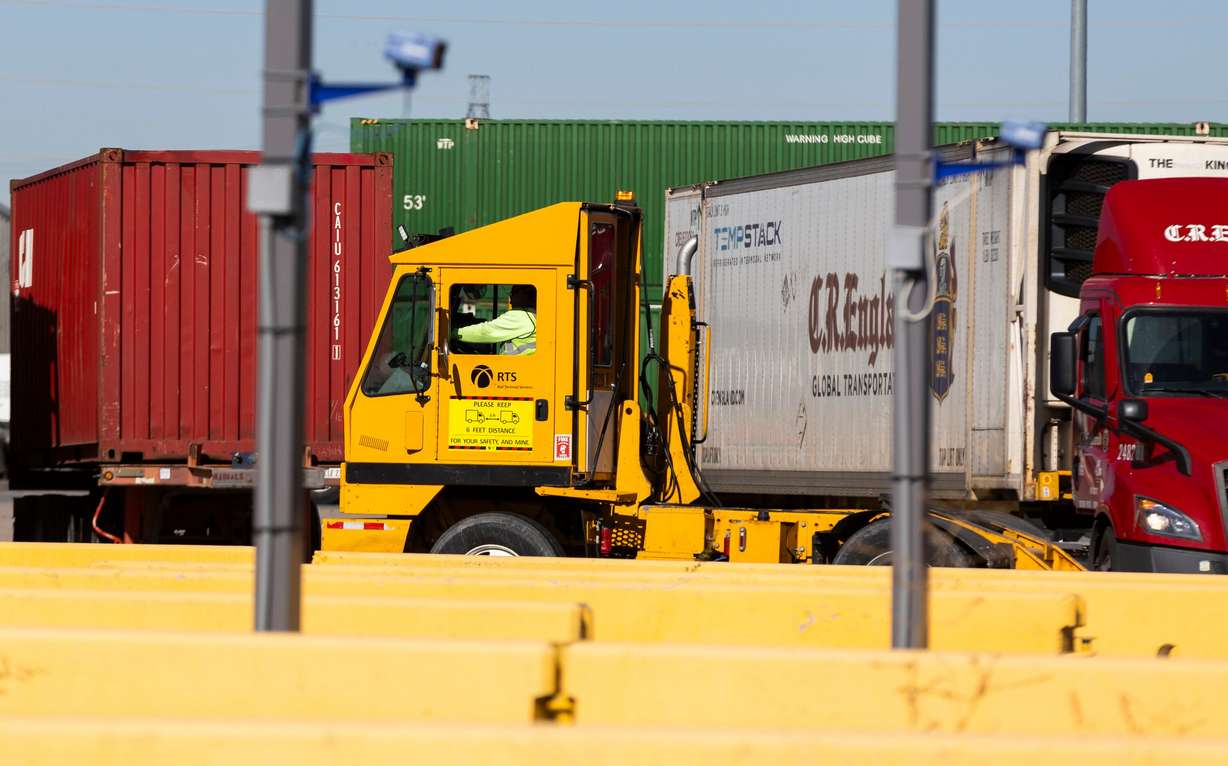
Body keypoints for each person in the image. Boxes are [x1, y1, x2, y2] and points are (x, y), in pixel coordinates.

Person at [456, 285, 537, 355]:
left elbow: (486, 332)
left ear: (524, 295)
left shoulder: (521, 316)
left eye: (514, 293)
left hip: (519, 368)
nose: (510, 298)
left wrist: (455, 333)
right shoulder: (534, 315)